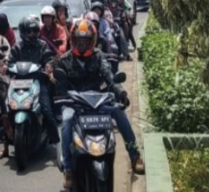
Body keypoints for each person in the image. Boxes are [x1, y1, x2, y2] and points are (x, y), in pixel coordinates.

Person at [54, 19, 145, 189]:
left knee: (119, 113)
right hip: (75, 104)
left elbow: (109, 76)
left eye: (85, 41)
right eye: (78, 41)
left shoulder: (98, 56)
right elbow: (60, 90)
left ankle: (134, 155)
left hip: (97, 102)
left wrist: (121, 93)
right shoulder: (64, 61)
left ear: (93, 41)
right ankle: (68, 169)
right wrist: (62, 99)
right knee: (66, 122)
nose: (81, 45)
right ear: (73, 40)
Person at [0, 16, 60, 160]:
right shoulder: (17, 47)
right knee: (6, 112)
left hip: (38, 80)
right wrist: (6, 66)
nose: (32, 34)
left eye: (34, 31)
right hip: (18, 81)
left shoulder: (42, 45)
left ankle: (58, 147)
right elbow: (10, 60)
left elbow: (49, 59)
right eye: (29, 31)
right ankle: (5, 146)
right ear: (23, 32)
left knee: (47, 111)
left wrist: (49, 66)